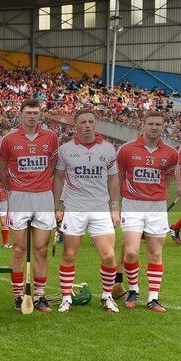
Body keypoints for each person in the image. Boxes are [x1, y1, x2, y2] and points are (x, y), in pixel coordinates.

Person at [51, 109, 122, 313]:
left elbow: (114, 179)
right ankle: (66, 298)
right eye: (83, 122)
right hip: (74, 209)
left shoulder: (108, 149)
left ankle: (107, 296)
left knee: (109, 256)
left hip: (100, 209)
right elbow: (58, 178)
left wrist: (115, 207)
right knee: (70, 255)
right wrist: (57, 206)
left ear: (95, 124)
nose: (87, 125)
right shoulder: (65, 150)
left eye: (91, 121)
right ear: (76, 125)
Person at [0, 99, 59, 313]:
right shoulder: (9, 139)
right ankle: (17, 295)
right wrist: (11, 189)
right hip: (19, 197)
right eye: (28, 113)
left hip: (43, 197)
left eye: (36, 113)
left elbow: (52, 165)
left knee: (41, 248)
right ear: (21, 114)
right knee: (19, 248)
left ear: (40, 115)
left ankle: (40, 295)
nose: (32, 116)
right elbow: (1, 169)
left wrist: (41, 183)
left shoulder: (50, 138)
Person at [116, 111, 179, 312]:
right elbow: (119, 176)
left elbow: (167, 179)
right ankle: (133, 290)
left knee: (155, 252)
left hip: (157, 207)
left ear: (163, 127)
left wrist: (157, 194)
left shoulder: (170, 153)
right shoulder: (126, 150)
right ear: (143, 126)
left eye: (158, 124)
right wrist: (117, 203)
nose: (154, 127)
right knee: (131, 251)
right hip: (132, 205)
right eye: (150, 123)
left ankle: (153, 298)